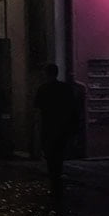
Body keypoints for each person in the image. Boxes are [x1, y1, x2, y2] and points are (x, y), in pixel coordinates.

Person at [34, 62, 78, 196]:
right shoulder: (65, 88)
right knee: (59, 151)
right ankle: (57, 175)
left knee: (50, 152)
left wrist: (37, 127)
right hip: (62, 126)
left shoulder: (42, 89)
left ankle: (54, 176)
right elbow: (72, 108)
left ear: (46, 74)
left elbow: (38, 110)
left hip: (49, 126)